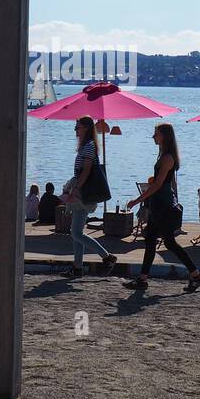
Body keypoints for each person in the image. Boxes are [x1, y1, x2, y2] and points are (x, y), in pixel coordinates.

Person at [124, 122, 200, 293]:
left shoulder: (168, 157)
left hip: (163, 207)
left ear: (164, 136)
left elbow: (159, 184)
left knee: (168, 243)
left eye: (156, 134)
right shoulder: (163, 155)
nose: (154, 137)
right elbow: (169, 184)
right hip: (158, 205)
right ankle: (143, 279)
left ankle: (196, 275)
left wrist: (137, 200)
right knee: (152, 241)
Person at [61, 116, 118, 278]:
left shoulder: (89, 147)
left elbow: (85, 171)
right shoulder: (87, 146)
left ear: (86, 128)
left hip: (83, 193)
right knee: (76, 232)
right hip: (82, 191)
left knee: (76, 233)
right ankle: (77, 267)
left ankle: (107, 257)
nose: (75, 130)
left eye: (77, 127)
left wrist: (75, 190)